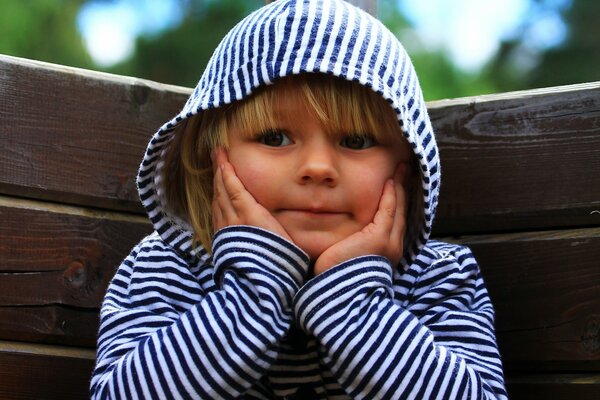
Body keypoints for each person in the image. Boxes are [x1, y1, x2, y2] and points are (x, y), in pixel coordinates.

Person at [90, 0, 508, 398]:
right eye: (275, 138)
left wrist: (353, 304)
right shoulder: (167, 269)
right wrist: (255, 291)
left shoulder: (437, 279)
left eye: (356, 140)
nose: (318, 167)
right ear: (212, 158)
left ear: (411, 167)